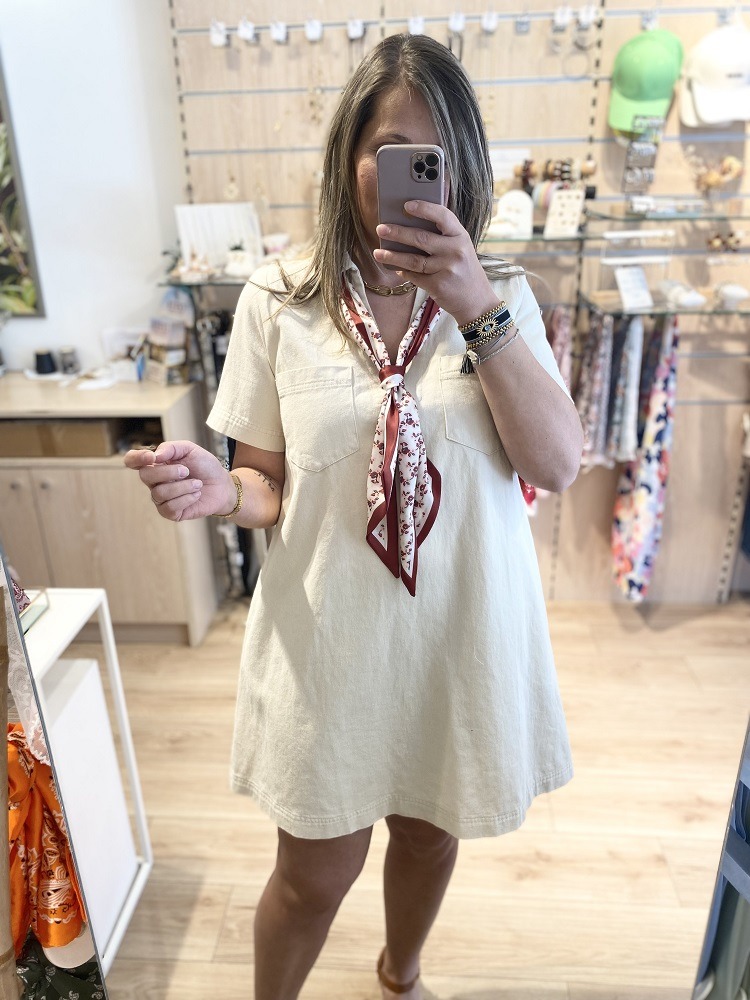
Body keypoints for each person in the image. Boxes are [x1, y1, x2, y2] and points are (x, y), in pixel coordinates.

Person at [125, 33, 583, 1000]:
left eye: (431, 154)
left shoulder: (504, 297)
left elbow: (555, 463)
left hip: (457, 638)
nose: (408, 172)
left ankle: (399, 973)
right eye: (387, 149)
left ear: (463, 166)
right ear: (348, 157)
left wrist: (472, 301)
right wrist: (221, 490)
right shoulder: (278, 299)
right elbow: (264, 484)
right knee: (311, 877)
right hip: (327, 644)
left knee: (427, 834)